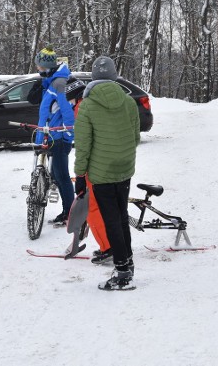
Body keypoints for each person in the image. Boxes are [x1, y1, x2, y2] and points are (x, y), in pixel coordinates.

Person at [73, 56, 140, 290]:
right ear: (114, 76)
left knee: (111, 219)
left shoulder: (88, 105)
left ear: (93, 78)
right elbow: (135, 138)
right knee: (121, 216)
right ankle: (127, 262)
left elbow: (83, 145)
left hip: (101, 172)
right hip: (125, 168)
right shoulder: (129, 102)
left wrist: (80, 175)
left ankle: (122, 272)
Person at [66, 77, 111, 265]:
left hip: (96, 164)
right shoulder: (100, 104)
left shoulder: (81, 109)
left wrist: (81, 174)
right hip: (113, 160)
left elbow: (84, 146)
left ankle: (107, 247)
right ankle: (116, 243)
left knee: (93, 207)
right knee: (110, 206)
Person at [34, 47, 76, 226]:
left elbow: (67, 112)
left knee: (62, 177)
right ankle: (68, 210)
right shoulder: (53, 81)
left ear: (47, 66)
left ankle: (70, 213)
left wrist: (67, 133)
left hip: (59, 138)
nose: (38, 70)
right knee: (56, 175)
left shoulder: (59, 83)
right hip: (52, 136)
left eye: (40, 67)